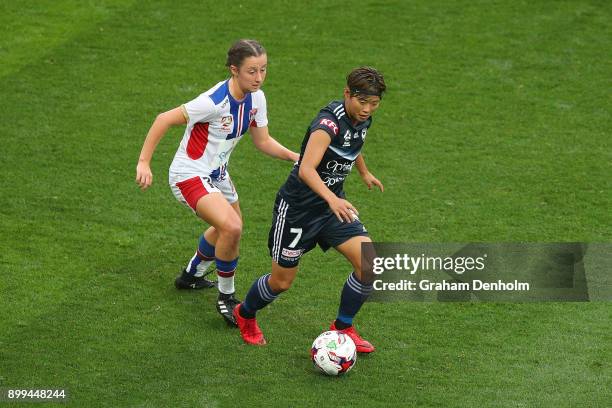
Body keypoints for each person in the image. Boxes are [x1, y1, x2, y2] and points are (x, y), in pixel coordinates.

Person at [135, 39, 299, 326]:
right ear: (234, 70)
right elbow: (164, 119)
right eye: (251, 71)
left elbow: (263, 141)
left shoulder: (256, 99)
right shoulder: (212, 102)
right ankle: (227, 297)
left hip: (217, 174)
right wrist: (144, 162)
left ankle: (191, 275)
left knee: (230, 228)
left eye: (263, 70)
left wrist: (293, 156)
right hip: (189, 174)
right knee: (231, 227)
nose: (259, 77)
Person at [233, 67, 386, 351]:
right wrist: (332, 198)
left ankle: (343, 328)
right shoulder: (327, 125)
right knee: (281, 282)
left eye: (373, 104)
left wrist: (364, 172)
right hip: (298, 211)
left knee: (369, 265)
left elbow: (355, 144)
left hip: (331, 208)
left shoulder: (363, 119)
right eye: (362, 102)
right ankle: (244, 314)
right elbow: (305, 169)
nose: (367, 109)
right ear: (347, 94)